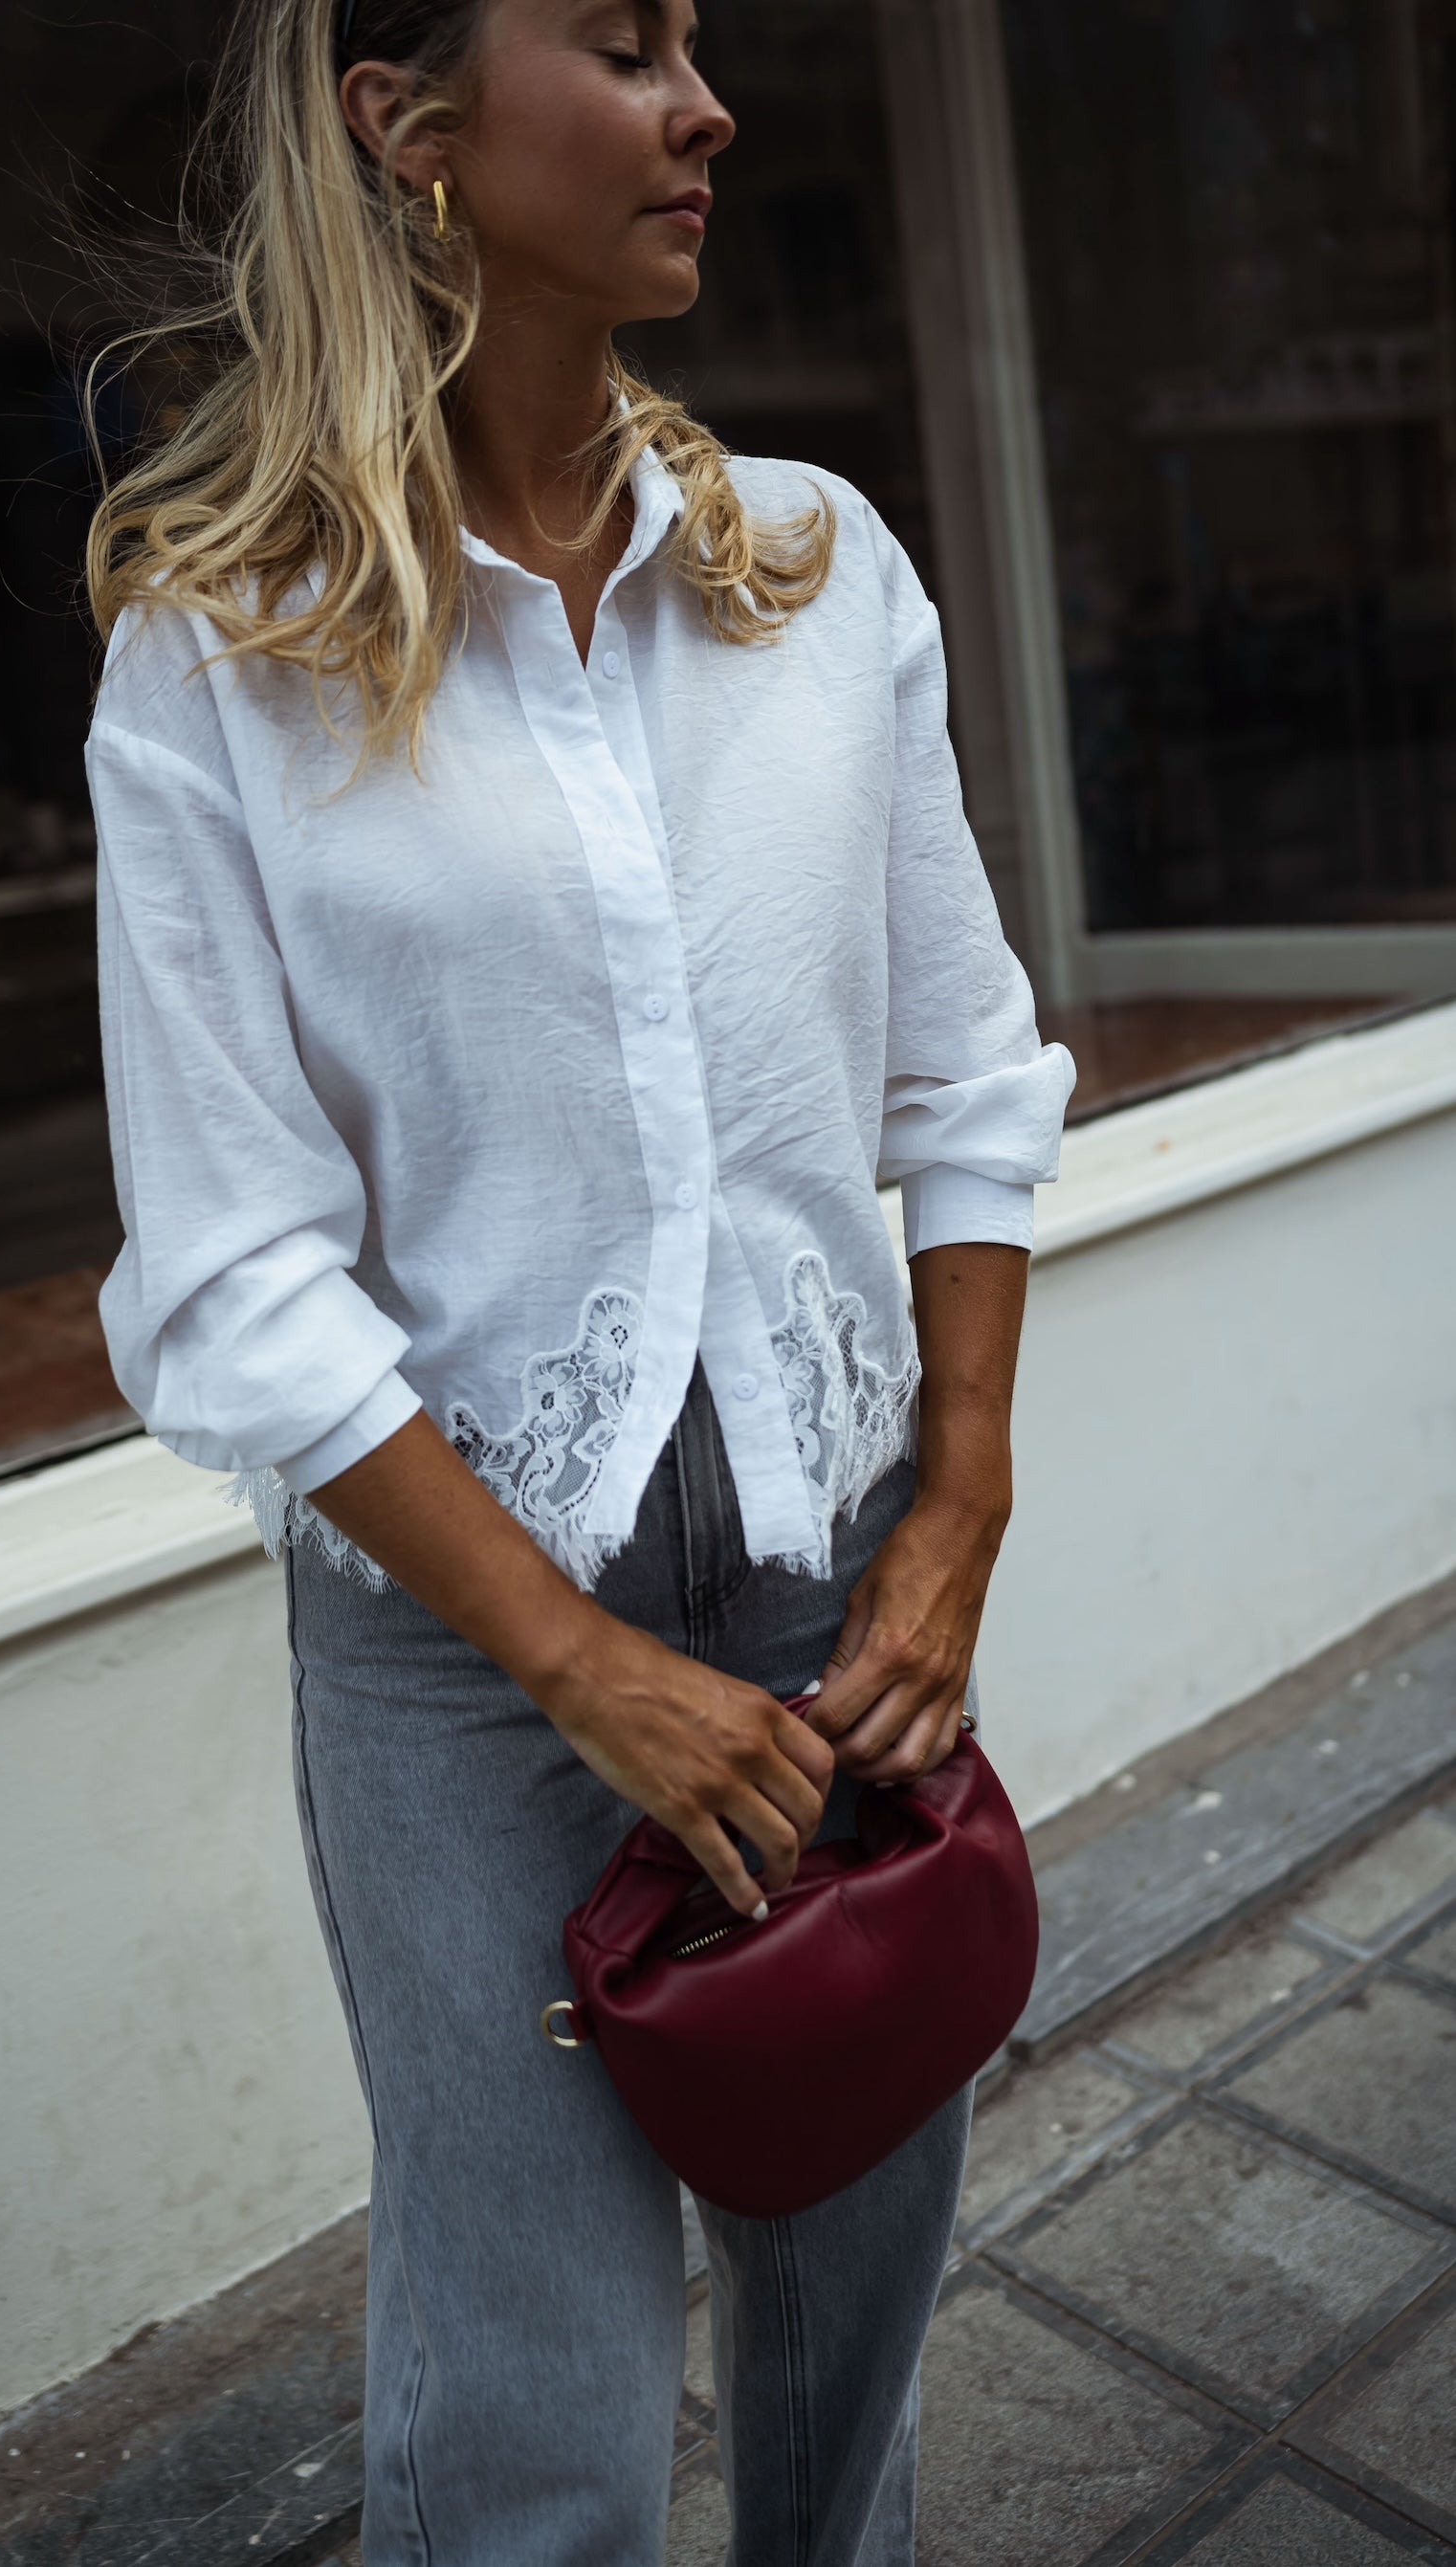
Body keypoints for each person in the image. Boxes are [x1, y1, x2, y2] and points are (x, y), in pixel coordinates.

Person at [84, 0, 1074, 2556]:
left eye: (701, 46)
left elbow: (967, 1081)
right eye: (622, 45)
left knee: (856, 2303)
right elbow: (235, 1275)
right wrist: (572, 1656)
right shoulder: (216, 659)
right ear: (395, 123)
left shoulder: (824, 579)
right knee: (532, 2418)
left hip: (832, 1591)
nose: (706, 103)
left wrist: (956, 1497)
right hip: (457, 1649)